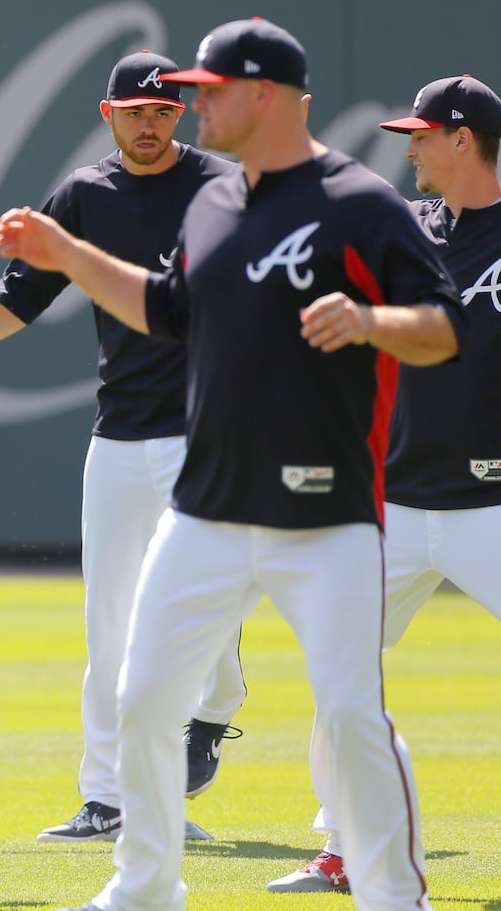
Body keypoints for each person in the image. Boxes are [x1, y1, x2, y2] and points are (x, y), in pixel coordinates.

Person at [0, 17, 459, 911]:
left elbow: (444, 327)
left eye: (203, 90)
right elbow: (165, 309)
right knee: (141, 700)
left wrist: (368, 322)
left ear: (262, 96)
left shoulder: (358, 201)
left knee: (351, 715)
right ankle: (143, 887)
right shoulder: (215, 202)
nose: (187, 104)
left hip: (323, 513)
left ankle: (396, 898)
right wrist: (68, 256)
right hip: (206, 508)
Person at [0, 50, 246, 844]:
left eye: (162, 111)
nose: (148, 125)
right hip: (119, 435)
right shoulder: (84, 195)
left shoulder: (224, 186)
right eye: (134, 112)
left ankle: (214, 713)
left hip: (205, 432)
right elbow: (18, 298)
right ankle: (111, 798)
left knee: (204, 614)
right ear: (107, 114)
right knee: (108, 622)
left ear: (180, 114)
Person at [267, 73, 501, 895]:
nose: (409, 148)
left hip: (493, 508)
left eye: (422, 135)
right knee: (341, 673)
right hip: (394, 503)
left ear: (462, 139)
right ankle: (344, 849)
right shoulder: (408, 230)